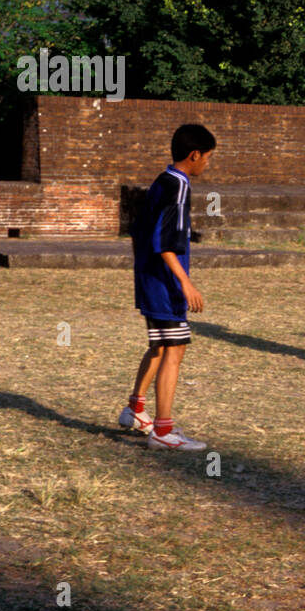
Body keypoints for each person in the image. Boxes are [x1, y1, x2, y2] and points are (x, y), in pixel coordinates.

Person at [119, 123, 216, 449]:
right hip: (165, 283)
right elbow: (165, 243)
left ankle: (135, 409)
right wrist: (185, 282)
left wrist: (142, 272)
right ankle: (163, 432)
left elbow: (138, 232)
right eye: (208, 158)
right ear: (194, 155)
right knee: (175, 349)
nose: (208, 164)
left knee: (161, 346)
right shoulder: (180, 186)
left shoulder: (161, 181)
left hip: (150, 278)